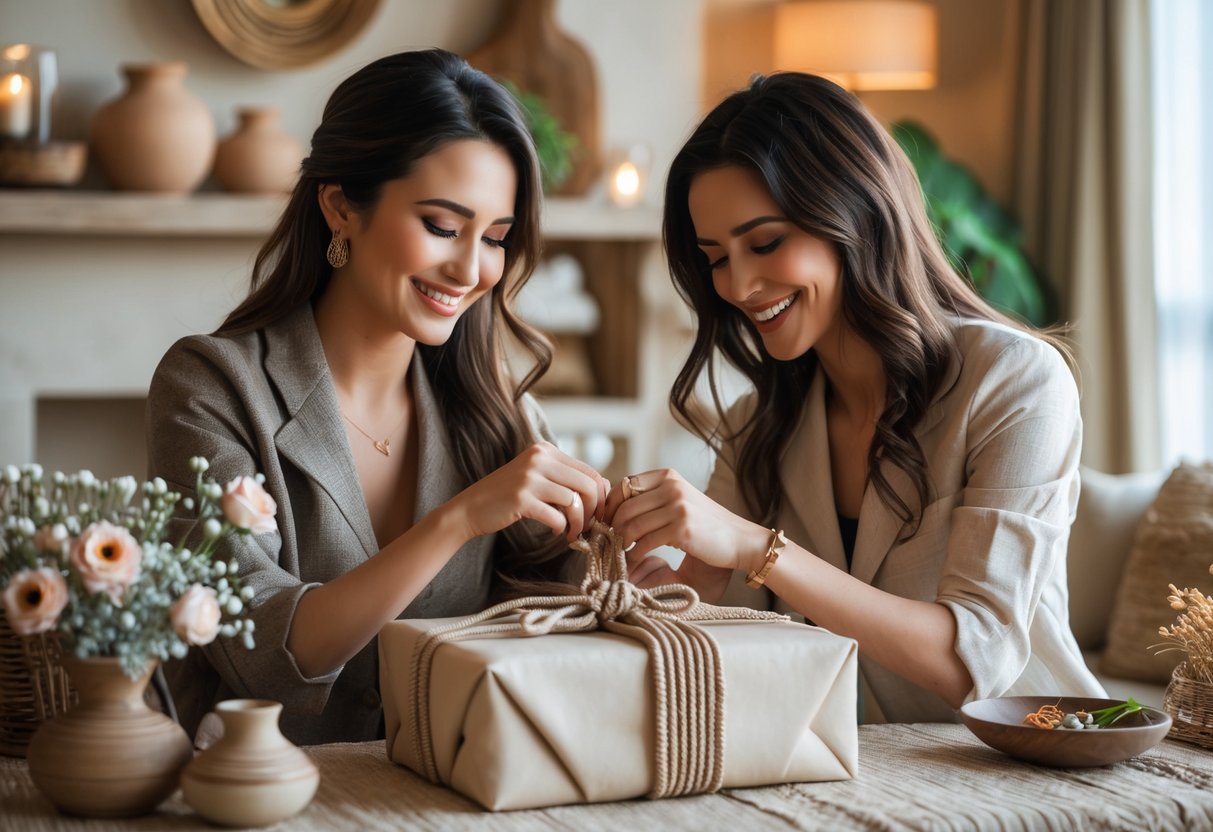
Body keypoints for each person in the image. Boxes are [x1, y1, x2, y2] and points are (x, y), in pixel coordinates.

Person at [605, 72, 1105, 723]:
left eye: (764, 243)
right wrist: (673, 594)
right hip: (852, 770)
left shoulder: (1014, 382)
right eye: (715, 258)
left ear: (854, 214)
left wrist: (758, 550)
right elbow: (736, 646)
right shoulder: (755, 426)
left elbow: (971, 664)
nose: (738, 285)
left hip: (1031, 767)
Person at [147, 49, 608, 746]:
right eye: (442, 227)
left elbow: (561, 604)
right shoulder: (211, 385)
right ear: (340, 208)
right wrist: (457, 520)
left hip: (449, 798)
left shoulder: (492, 405)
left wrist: (652, 553)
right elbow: (263, 652)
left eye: (495, 238)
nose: (470, 268)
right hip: (252, 802)